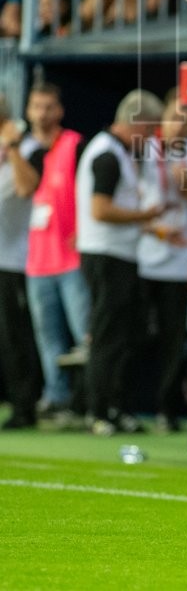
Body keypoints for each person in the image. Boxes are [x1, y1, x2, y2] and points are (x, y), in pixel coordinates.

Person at [76, 89, 165, 434]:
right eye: (151, 129)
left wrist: (150, 226)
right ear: (137, 123)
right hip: (106, 255)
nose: (152, 137)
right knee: (107, 334)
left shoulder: (118, 153)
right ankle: (98, 410)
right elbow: (100, 210)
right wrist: (145, 215)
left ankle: (115, 407)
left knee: (125, 335)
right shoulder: (107, 155)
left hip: (119, 254)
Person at [16, 82, 90, 422]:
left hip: (72, 258)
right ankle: (57, 398)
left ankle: (90, 400)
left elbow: (91, 192)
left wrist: (84, 231)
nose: (42, 114)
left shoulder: (75, 145)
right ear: (28, 110)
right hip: (37, 260)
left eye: (48, 107)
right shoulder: (25, 150)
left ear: (59, 110)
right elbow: (23, 189)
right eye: (36, 106)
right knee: (48, 337)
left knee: (84, 333)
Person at [137, 90, 187, 432]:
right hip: (142, 253)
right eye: (175, 117)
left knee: (174, 339)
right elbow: (128, 198)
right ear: (162, 116)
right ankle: (124, 404)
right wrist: (154, 229)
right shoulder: (143, 149)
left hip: (179, 258)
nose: (180, 126)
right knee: (134, 332)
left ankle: (167, 410)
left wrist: (186, 184)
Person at [0, 94, 44, 429]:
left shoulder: (29, 149)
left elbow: (28, 187)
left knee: (13, 338)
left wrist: (13, 147)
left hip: (12, 261)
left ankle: (24, 406)